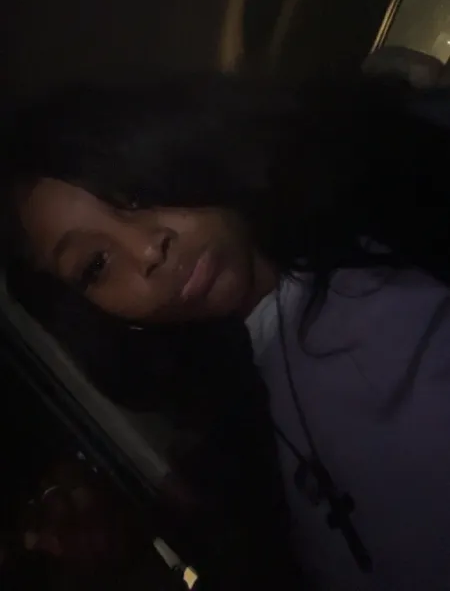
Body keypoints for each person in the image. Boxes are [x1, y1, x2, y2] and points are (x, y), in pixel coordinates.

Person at [3, 67, 450, 590]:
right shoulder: (237, 444)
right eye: (96, 265)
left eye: (135, 194)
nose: (148, 250)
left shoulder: (396, 192)